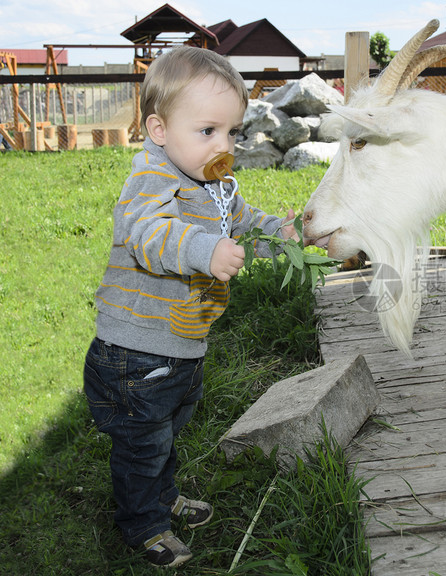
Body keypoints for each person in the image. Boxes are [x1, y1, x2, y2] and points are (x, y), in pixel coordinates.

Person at [83, 46, 298, 568]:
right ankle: (144, 523)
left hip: (179, 345)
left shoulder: (217, 185)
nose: (223, 146)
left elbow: (244, 226)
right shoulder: (152, 181)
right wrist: (205, 250)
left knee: (168, 430)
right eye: (207, 132)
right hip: (134, 352)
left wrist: (283, 235)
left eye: (232, 132)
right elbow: (146, 235)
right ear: (159, 131)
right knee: (143, 444)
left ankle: (162, 494)